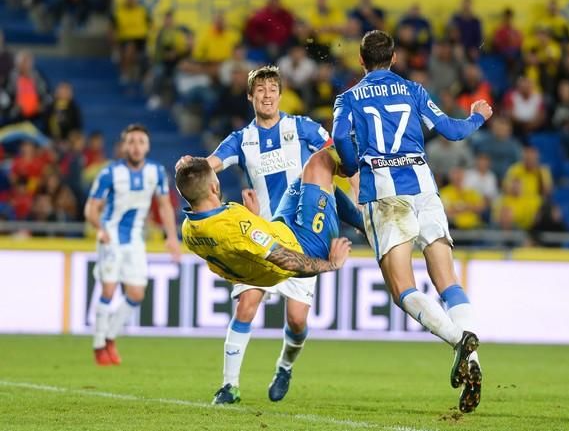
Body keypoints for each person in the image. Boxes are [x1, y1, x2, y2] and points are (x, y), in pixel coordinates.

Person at [181, 65, 363, 405]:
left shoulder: (302, 128)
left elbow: (339, 157)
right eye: (260, 90)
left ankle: (285, 365)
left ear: (281, 94)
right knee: (246, 306)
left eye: (272, 89)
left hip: (296, 236)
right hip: (256, 236)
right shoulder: (241, 139)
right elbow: (210, 166)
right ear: (250, 97)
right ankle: (229, 386)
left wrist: (357, 192)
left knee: (296, 320)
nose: (267, 95)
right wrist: (190, 164)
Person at [332, 30, 492, 413]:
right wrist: (477, 117)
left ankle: (458, 341)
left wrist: (353, 165)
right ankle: (473, 360)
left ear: (360, 60)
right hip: (424, 189)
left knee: (402, 288)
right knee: (447, 281)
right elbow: (452, 131)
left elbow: (340, 137)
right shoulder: (414, 90)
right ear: (394, 58)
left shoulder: (349, 98)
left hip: (386, 195)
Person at [175, 153, 352, 402]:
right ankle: (367, 222)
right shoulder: (235, 226)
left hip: (272, 235)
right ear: (214, 186)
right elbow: (288, 261)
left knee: (296, 321)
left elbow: (245, 242)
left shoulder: (188, 231)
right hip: (304, 247)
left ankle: (281, 368)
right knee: (320, 162)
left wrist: (254, 219)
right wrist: (331, 264)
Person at [84, 124, 181, 366]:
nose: (136, 146)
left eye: (141, 142)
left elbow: (165, 205)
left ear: (147, 146)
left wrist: (171, 237)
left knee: (136, 294)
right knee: (108, 290)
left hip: (136, 238)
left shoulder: (156, 172)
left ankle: (109, 336)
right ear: (123, 146)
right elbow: (91, 208)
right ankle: (98, 345)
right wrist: (100, 229)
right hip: (111, 236)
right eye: (132, 142)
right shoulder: (110, 173)